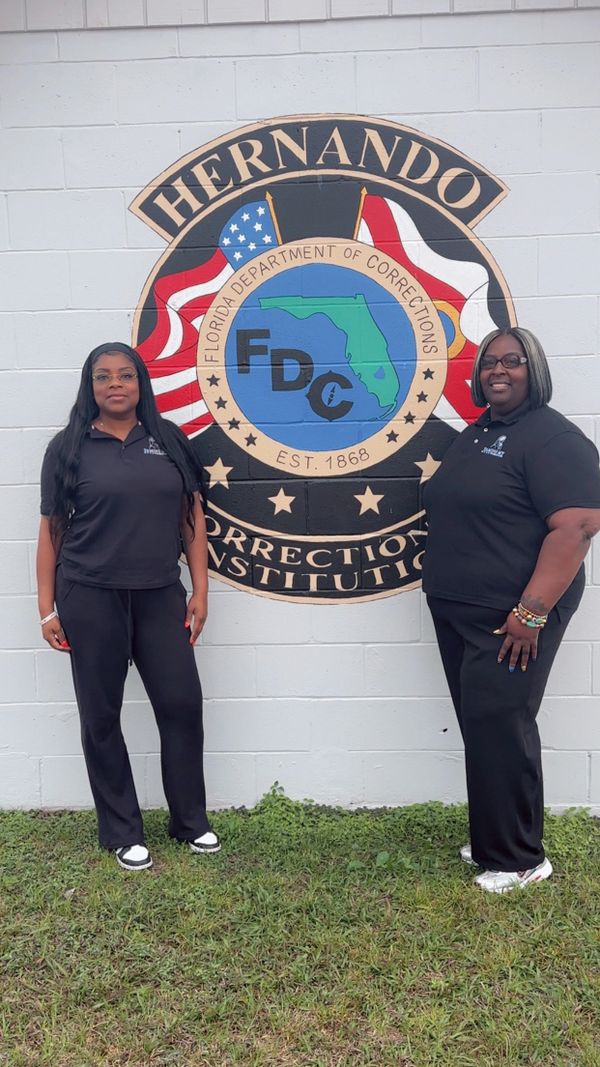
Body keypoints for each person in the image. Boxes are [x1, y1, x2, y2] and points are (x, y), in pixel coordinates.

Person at [422, 327, 600, 893]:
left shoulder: (553, 438)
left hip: (512, 617)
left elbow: (577, 527)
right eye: (490, 362)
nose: (498, 370)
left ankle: (520, 859)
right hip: (462, 610)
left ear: (535, 370)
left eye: (513, 361)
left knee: (502, 724)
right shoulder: (480, 432)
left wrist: (531, 613)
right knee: (483, 726)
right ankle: (494, 837)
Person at [36, 342, 220, 871]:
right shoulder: (68, 447)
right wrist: (47, 608)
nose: (115, 384)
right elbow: (52, 531)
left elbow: (192, 518)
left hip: (160, 595)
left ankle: (190, 822)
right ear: (90, 386)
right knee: (101, 716)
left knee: (181, 706)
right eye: (103, 376)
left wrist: (200, 590)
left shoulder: (168, 440)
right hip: (89, 596)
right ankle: (122, 831)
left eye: (125, 375)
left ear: (141, 383)